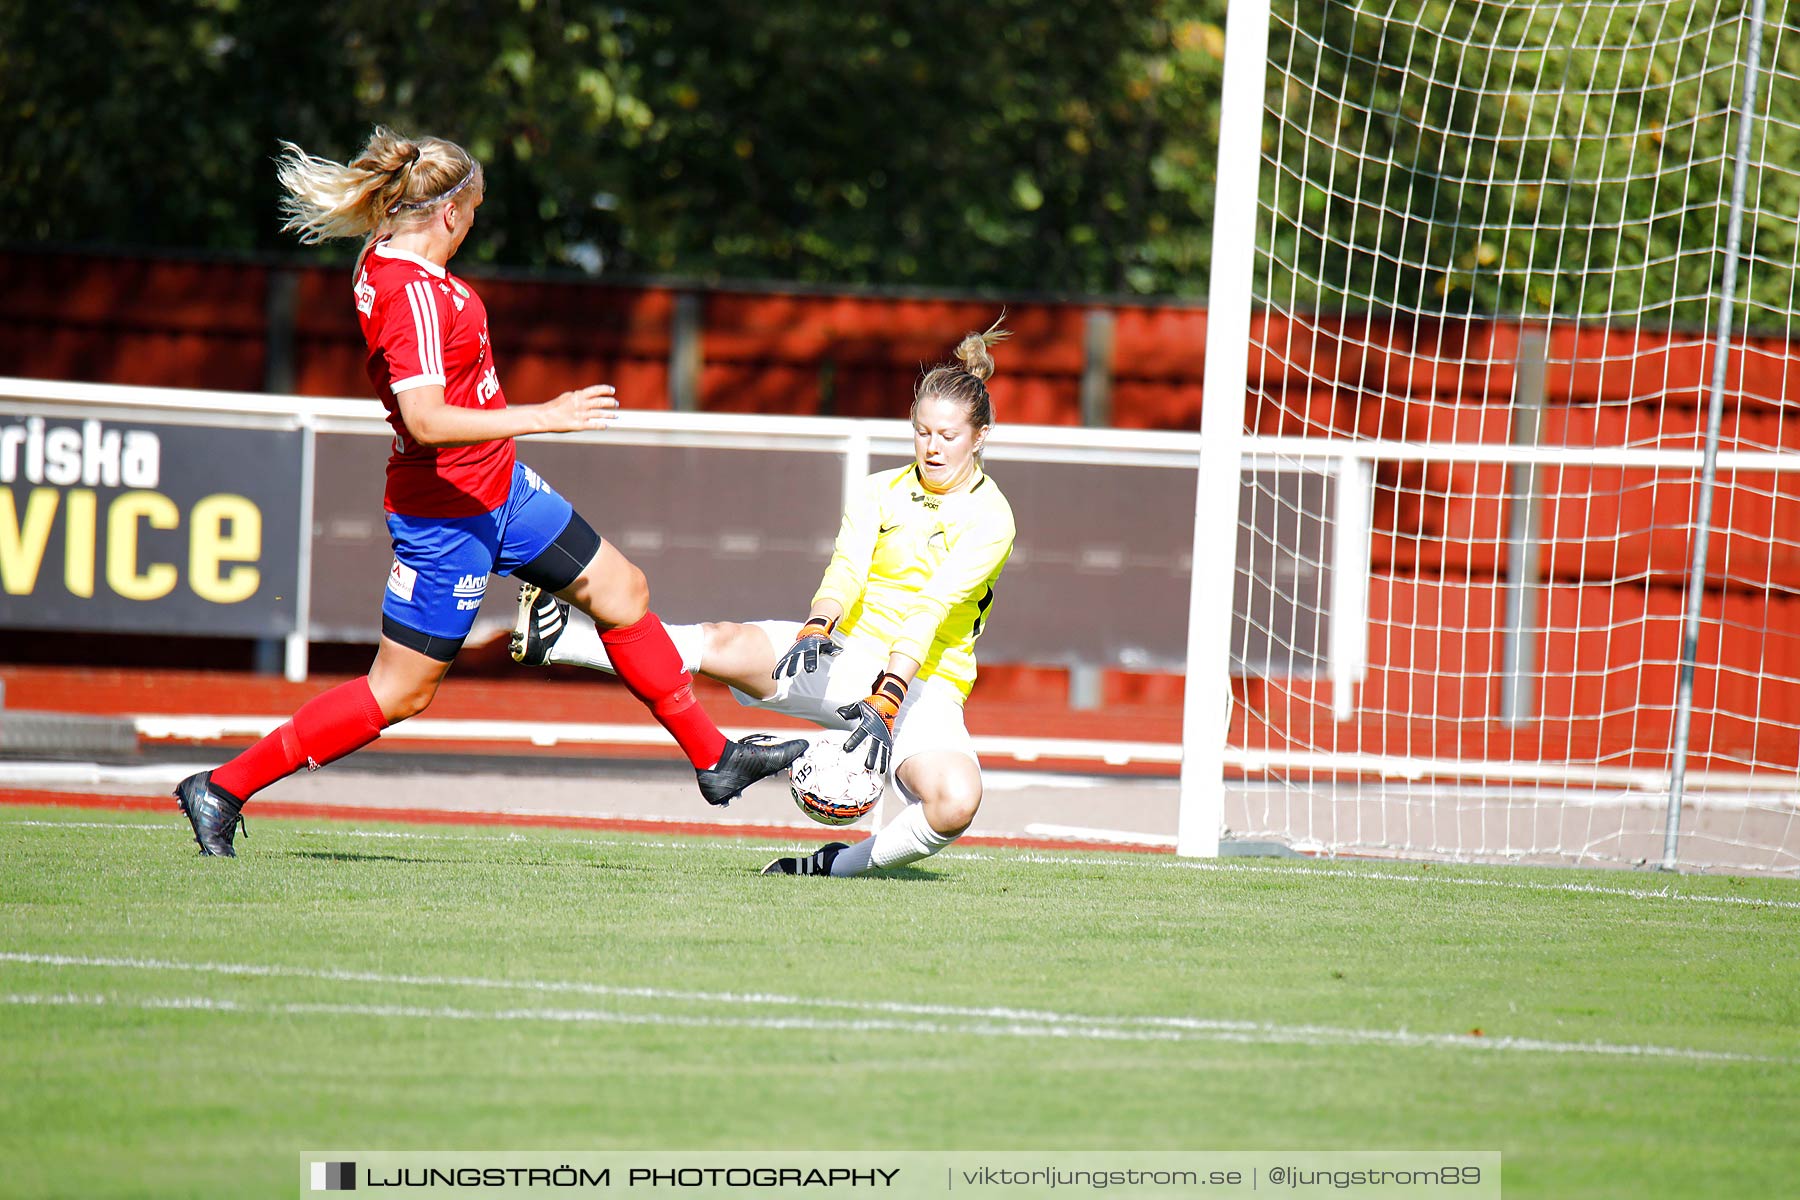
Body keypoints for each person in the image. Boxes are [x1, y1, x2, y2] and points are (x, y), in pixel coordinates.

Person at [173, 127, 805, 857]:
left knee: (623, 591)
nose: (473, 223)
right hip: (446, 515)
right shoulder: (408, 295)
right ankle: (222, 788)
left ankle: (713, 759)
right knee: (399, 693)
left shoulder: (393, 258)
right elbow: (424, 418)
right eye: (472, 209)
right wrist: (549, 415)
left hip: (500, 488)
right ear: (448, 215)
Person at [510, 321, 1017, 878]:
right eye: (922, 432)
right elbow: (845, 572)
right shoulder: (881, 490)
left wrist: (889, 698)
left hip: (923, 685)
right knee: (724, 642)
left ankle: (833, 868)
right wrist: (818, 627)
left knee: (957, 801)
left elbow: (930, 607)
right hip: (848, 653)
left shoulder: (992, 518)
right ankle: (562, 640)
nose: (932, 447)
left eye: (948, 435)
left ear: (981, 435)